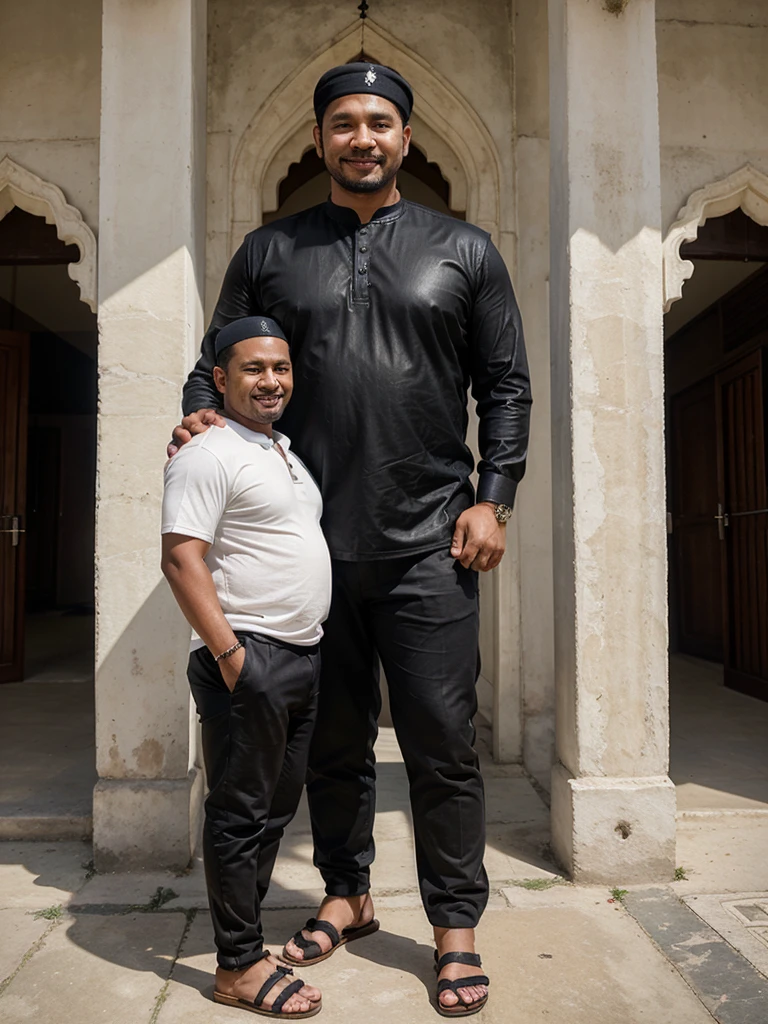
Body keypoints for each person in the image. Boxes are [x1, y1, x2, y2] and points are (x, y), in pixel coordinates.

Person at [171, 62, 531, 1017]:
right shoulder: (270, 249)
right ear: (320, 137)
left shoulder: (465, 250)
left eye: (379, 122)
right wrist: (199, 417)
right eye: (343, 123)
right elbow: (214, 364)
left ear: (407, 138)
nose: (361, 137)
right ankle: (347, 892)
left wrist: (493, 495)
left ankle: (454, 930)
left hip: (428, 546)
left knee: (442, 745)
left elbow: (505, 386)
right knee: (332, 744)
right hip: (309, 554)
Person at [161, 316, 331, 1019]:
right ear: (221, 379)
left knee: (274, 810)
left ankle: (247, 944)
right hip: (250, 657)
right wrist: (233, 657)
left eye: (281, 369)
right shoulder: (208, 451)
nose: (271, 381)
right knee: (239, 814)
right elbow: (180, 557)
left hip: (299, 655)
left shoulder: (283, 448)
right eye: (255, 369)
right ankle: (236, 967)